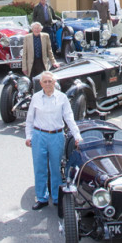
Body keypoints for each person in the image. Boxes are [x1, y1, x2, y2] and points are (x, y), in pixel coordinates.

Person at [24, 70, 82, 209]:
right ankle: (42, 198)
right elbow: (30, 119)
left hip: (56, 136)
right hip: (39, 136)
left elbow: (69, 118)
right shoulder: (36, 98)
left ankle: (56, 197)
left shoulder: (62, 98)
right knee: (40, 168)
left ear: (55, 83)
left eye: (50, 81)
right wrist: (28, 136)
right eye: (45, 82)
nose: (48, 84)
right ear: (41, 83)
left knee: (55, 168)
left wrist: (77, 135)